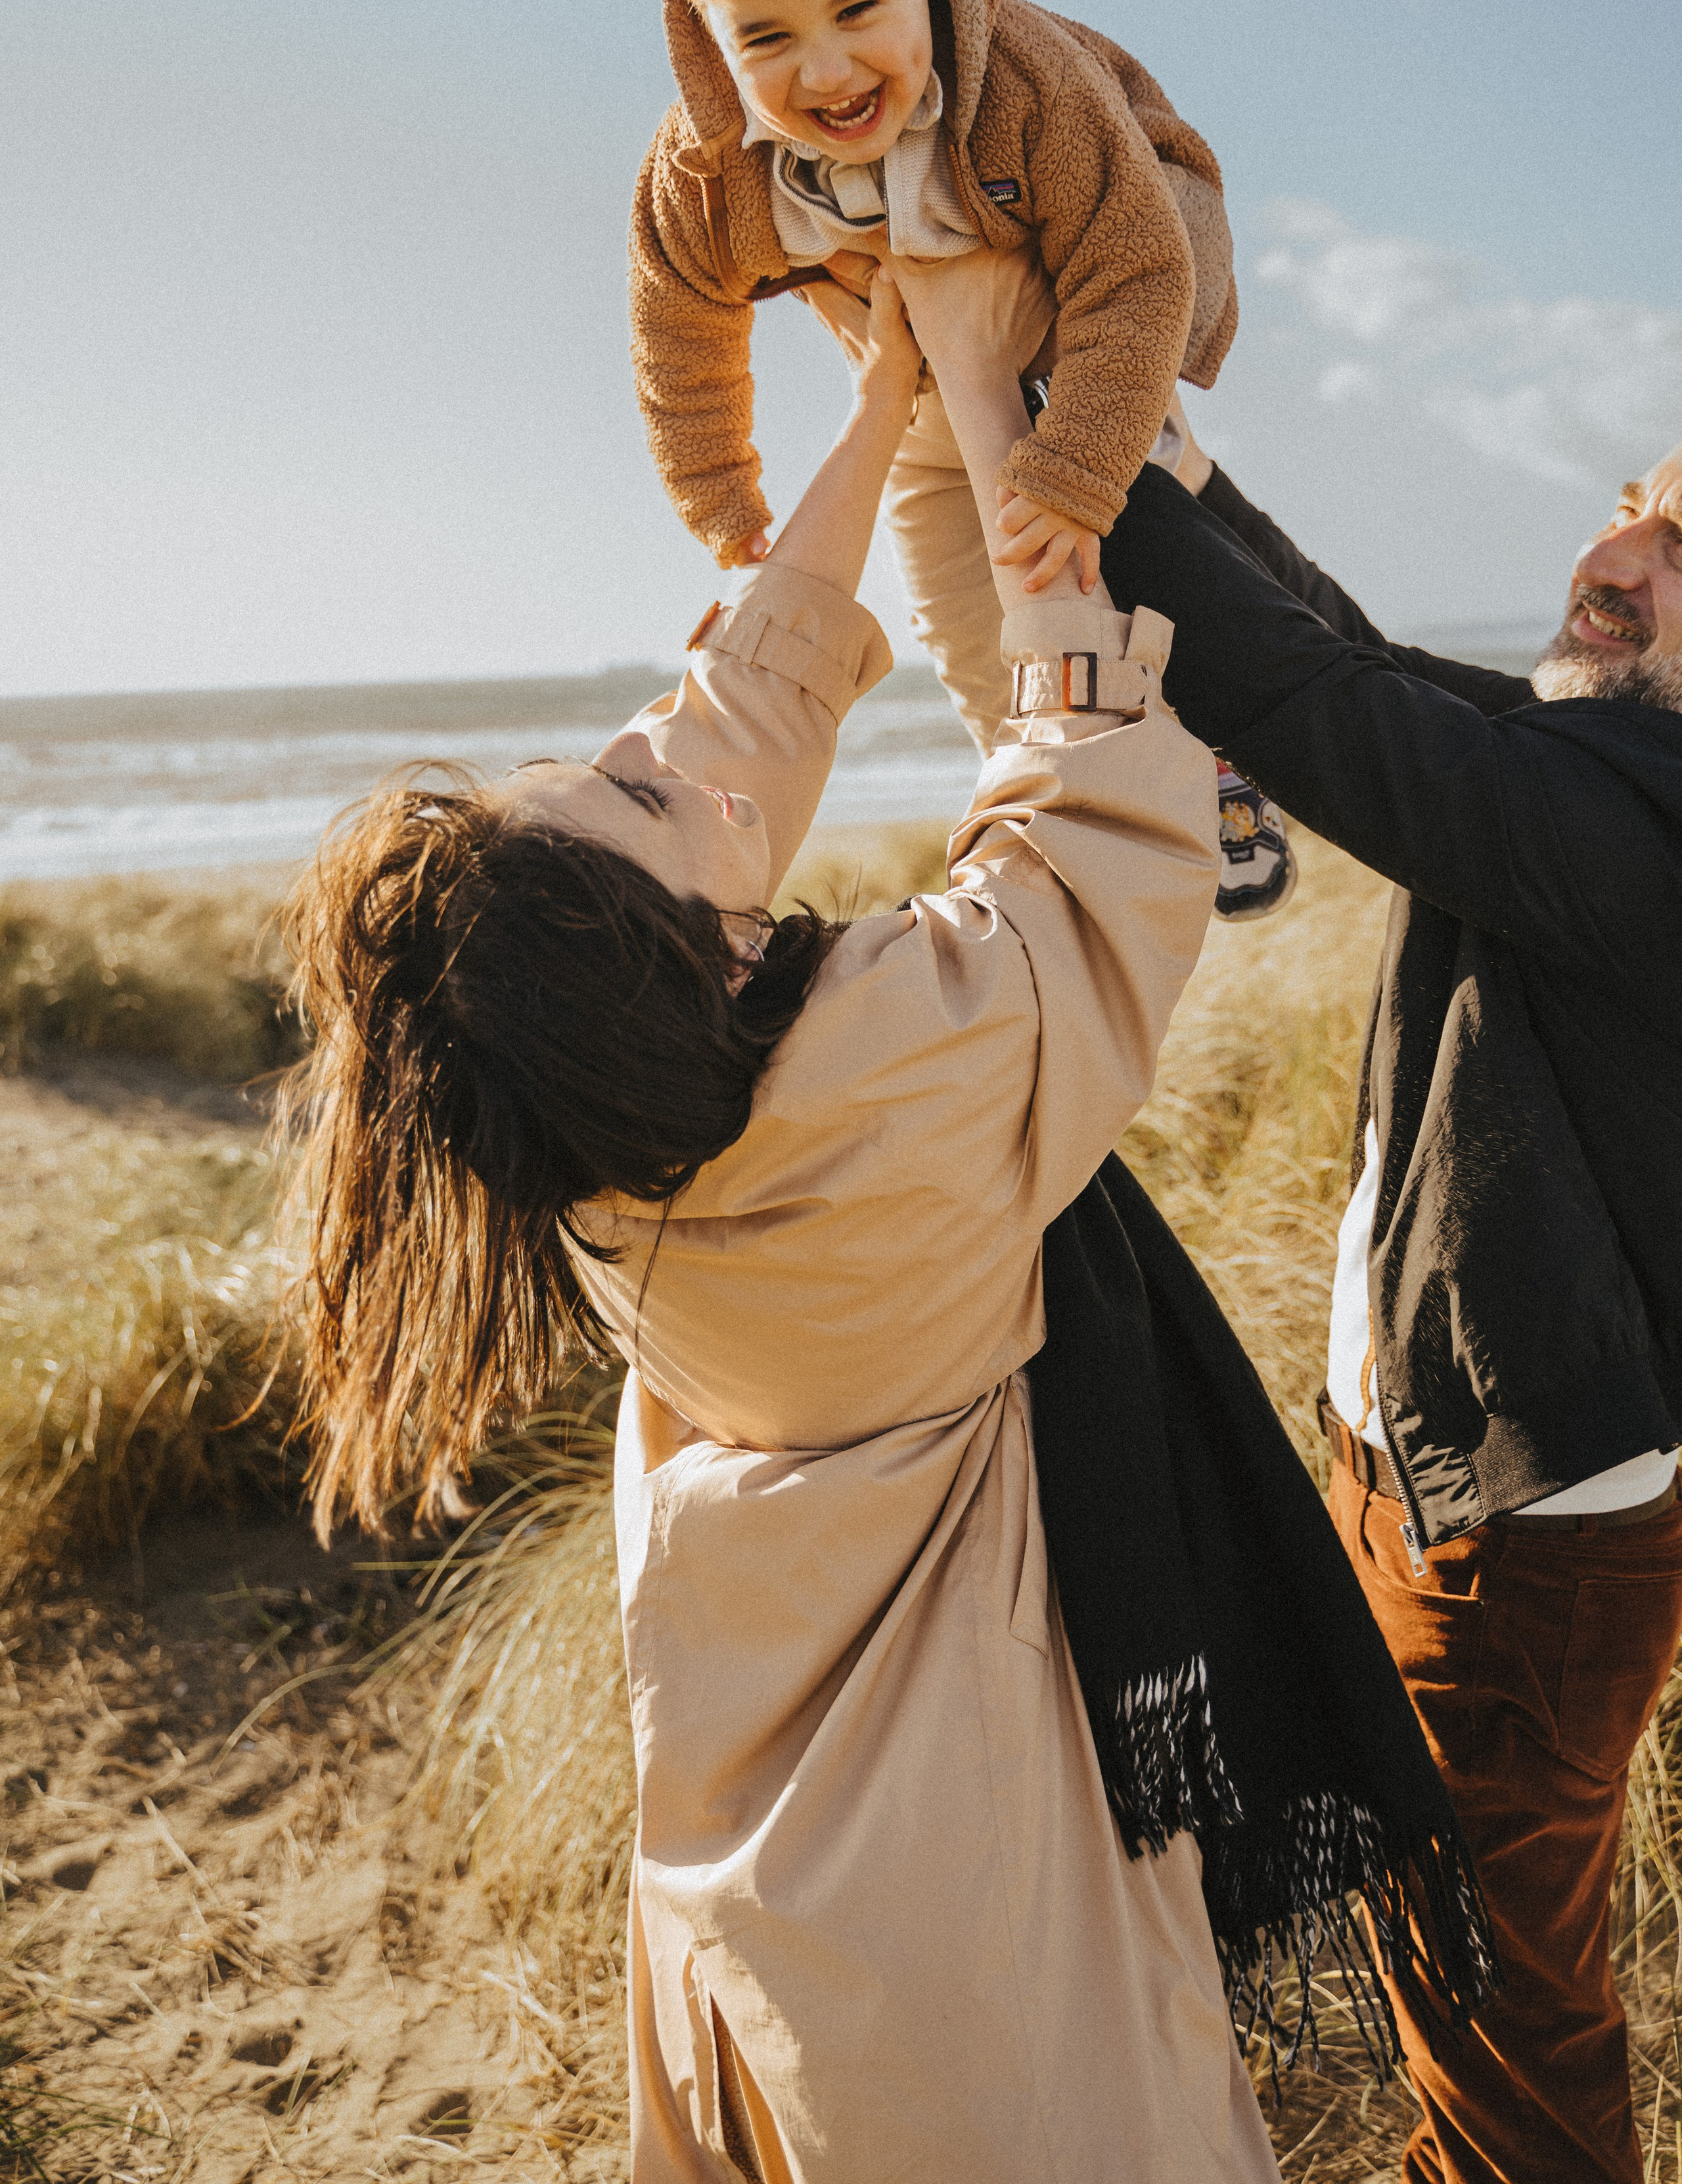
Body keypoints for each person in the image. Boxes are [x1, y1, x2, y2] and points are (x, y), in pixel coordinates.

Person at [279, 247, 1489, 2182]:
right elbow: (1098, 824)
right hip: (964, 1855)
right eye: (635, 793)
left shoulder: (599, 1118)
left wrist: (883, 406)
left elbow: (736, 720)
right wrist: (1043, 465)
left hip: (752, 1835)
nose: (660, 745)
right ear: (698, 936)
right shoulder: (885, 1082)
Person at [1091, 421, 1682, 2183]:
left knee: (1495, 1984)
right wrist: (1176, 473)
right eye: (1637, 509)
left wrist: (1056, 443)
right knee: (1473, 1945)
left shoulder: (1646, 824)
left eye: (1681, 550)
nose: (1610, 558)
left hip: (1522, 1535)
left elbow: (1305, 703)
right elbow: (1347, 662)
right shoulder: (1611, 762)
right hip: (1454, 1477)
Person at [629, 0, 1236, 758]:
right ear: (704, 25)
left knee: (1140, 570)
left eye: (858, 8)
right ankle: (1041, 784)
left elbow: (1137, 265)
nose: (825, 73)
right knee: (969, 641)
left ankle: (1214, 748)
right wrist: (721, 494)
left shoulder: (1025, 86)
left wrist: (1078, 468)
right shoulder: (709, 167)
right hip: (921, 418)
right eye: (767, 39)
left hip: (1084, 350)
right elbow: (677, 328)